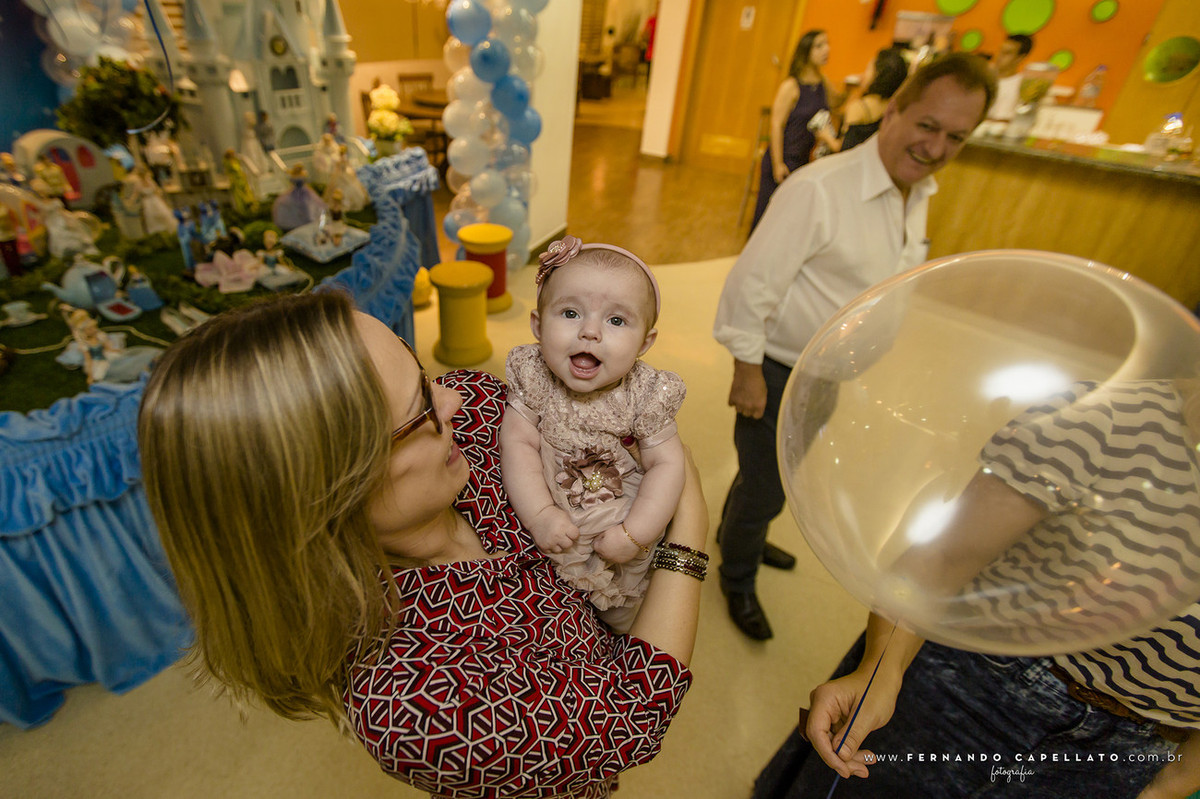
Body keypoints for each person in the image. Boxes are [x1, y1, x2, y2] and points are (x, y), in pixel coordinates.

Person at [137, 291, 709, 798]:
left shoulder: (481, 416)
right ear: (330, 499)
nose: (452, 400)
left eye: (421, 370)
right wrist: (688, 520)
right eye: (419, 412)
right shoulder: (419, 707)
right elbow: (629, 719)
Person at [755, 379, 1200, 798]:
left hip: (1134, 750)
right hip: (980, 685)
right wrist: (880, 672)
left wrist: (1167, 786)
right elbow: (944, 557)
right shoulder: (1110, 417)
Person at [712, 53, 996, 641]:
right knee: (767, 482)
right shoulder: (820, 190)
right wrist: (746, 371)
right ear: (894, 109)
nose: (937, 147)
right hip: (777, 368)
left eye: (955, 137)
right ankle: (735, 574)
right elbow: (751, 284)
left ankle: (743, 533)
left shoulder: (916, 193)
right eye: (927, 126)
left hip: (827, 371)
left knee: (779, 476)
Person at [500, 236, 687, 633]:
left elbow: (667, 464)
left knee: (623, 614)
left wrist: (635, 535)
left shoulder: (644, 393)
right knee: (547, 611)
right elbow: (517, 442)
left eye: (616, 321)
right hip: (548, 526)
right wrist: (540, 515)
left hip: (618, 523)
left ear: (644, 344)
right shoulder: (534, 376)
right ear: (537, 325)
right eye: (570, 313)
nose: (590, 332)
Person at [750, 30, 835, 231]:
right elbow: (776, 125)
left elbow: (838, 103)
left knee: (788, 220)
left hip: (804, 160)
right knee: (767, 217)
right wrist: (778, 163)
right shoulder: (791, 85)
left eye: (827, 44)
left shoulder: (823, 83)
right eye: (819, 45)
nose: (827, 49)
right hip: (783, 159)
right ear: (806, 52)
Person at [815, 48, 909, 154]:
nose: (863, 74)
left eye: (868, 69)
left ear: (877, 75)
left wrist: (826, 136)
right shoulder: (894, 107)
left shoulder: (859, 108)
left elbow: (844, 148)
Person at [986, 34, 1034, 123]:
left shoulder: (1023, 86)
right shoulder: (984, 78)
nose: (999, 56)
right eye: (1000, 50)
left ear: (1020, 58)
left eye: (1007, 53)